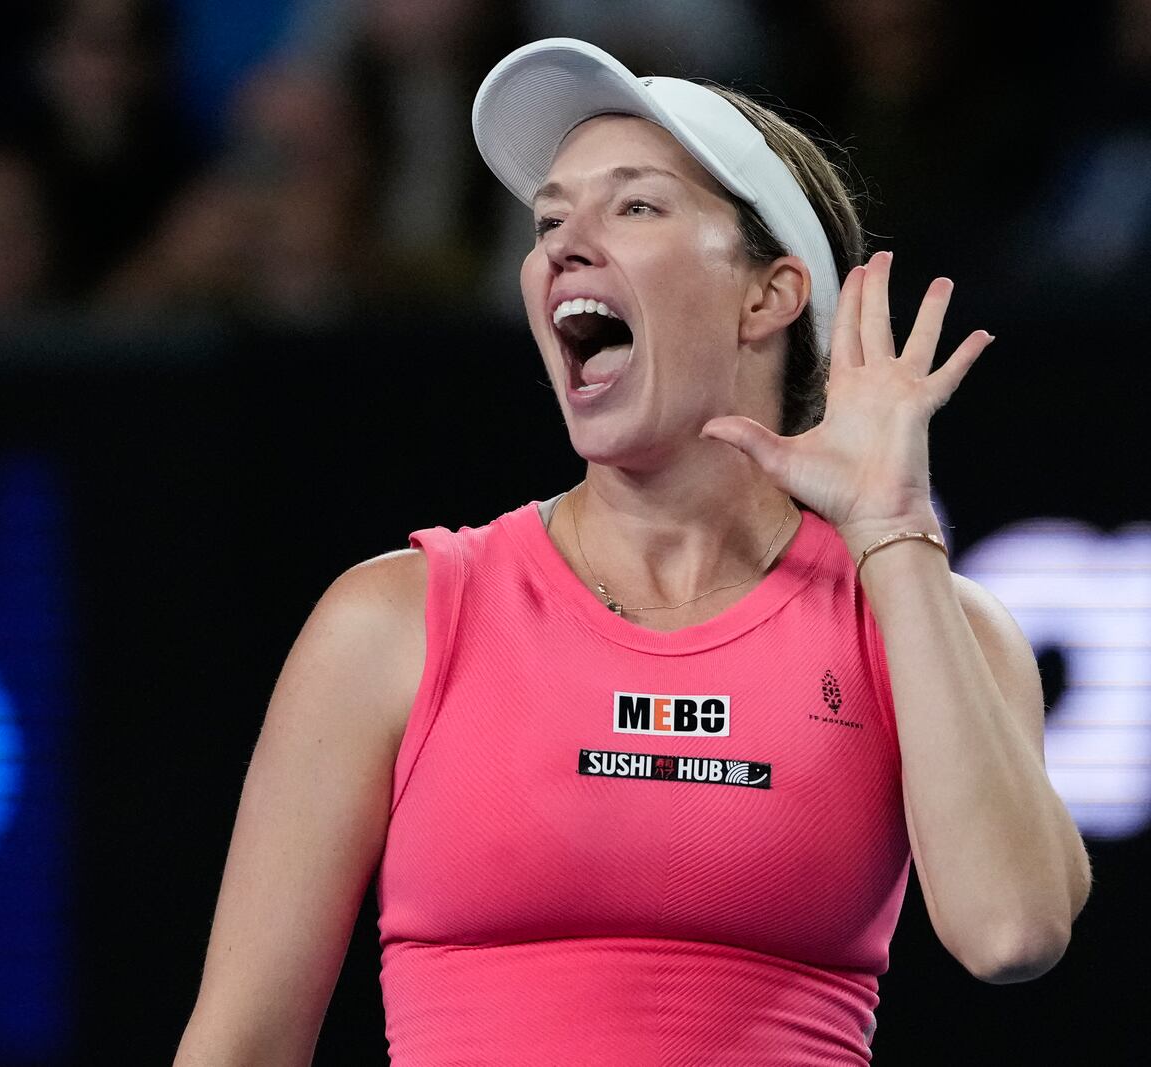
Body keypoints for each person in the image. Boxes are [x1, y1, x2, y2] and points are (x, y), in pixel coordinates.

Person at [172, 38, 1091, 1065]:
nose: (566, 242)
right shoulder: (391, 620)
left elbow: (1012, 928)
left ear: (768, 294)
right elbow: (240, 1043)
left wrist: (891, 535)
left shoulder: (925, 620)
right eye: (550, 218)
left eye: (636, 205)